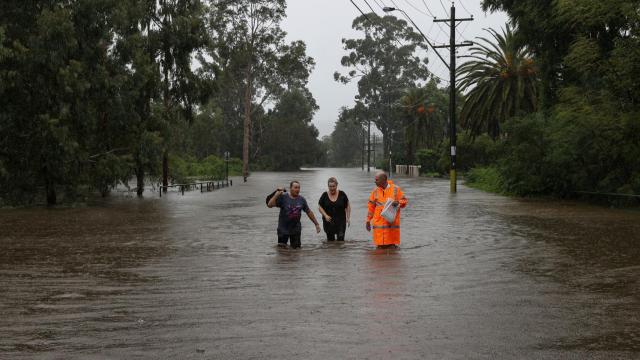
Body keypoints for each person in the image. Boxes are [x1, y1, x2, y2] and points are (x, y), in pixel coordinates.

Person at [267, 180, 321, 248]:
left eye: (299, 188)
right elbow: (269, 205)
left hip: (295, 230)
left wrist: (316, 224)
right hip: (283, 230)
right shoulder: (283, 197)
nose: (297, 189)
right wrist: (276, 195)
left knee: (296, 251)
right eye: (295, 187)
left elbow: (309, 212)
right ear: (290, 188)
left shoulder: (302, 199)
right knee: (282, 252)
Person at [365, 171, 408, 248]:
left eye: (377, 180)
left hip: (391, 226)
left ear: (384, 180)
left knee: (392, 251)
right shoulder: (375, 191)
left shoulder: (396, 189)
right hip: (379, 229)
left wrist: (398, 202)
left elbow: (404, 201)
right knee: (379, 253)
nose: (375, 182)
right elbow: (371, 207)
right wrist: (368, 220)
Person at [318, 177, 351, 241]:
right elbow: (319, 207)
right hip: (329, 222)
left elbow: (348, 206)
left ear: (336, 185)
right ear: (328, 186)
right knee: (330, 241)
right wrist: (325, 215)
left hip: (341, 221)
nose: (332, 188)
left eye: (333, 186)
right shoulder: (324, 195)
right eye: (330, 186)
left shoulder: (342, 194)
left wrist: (348, 218)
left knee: (341, 241)